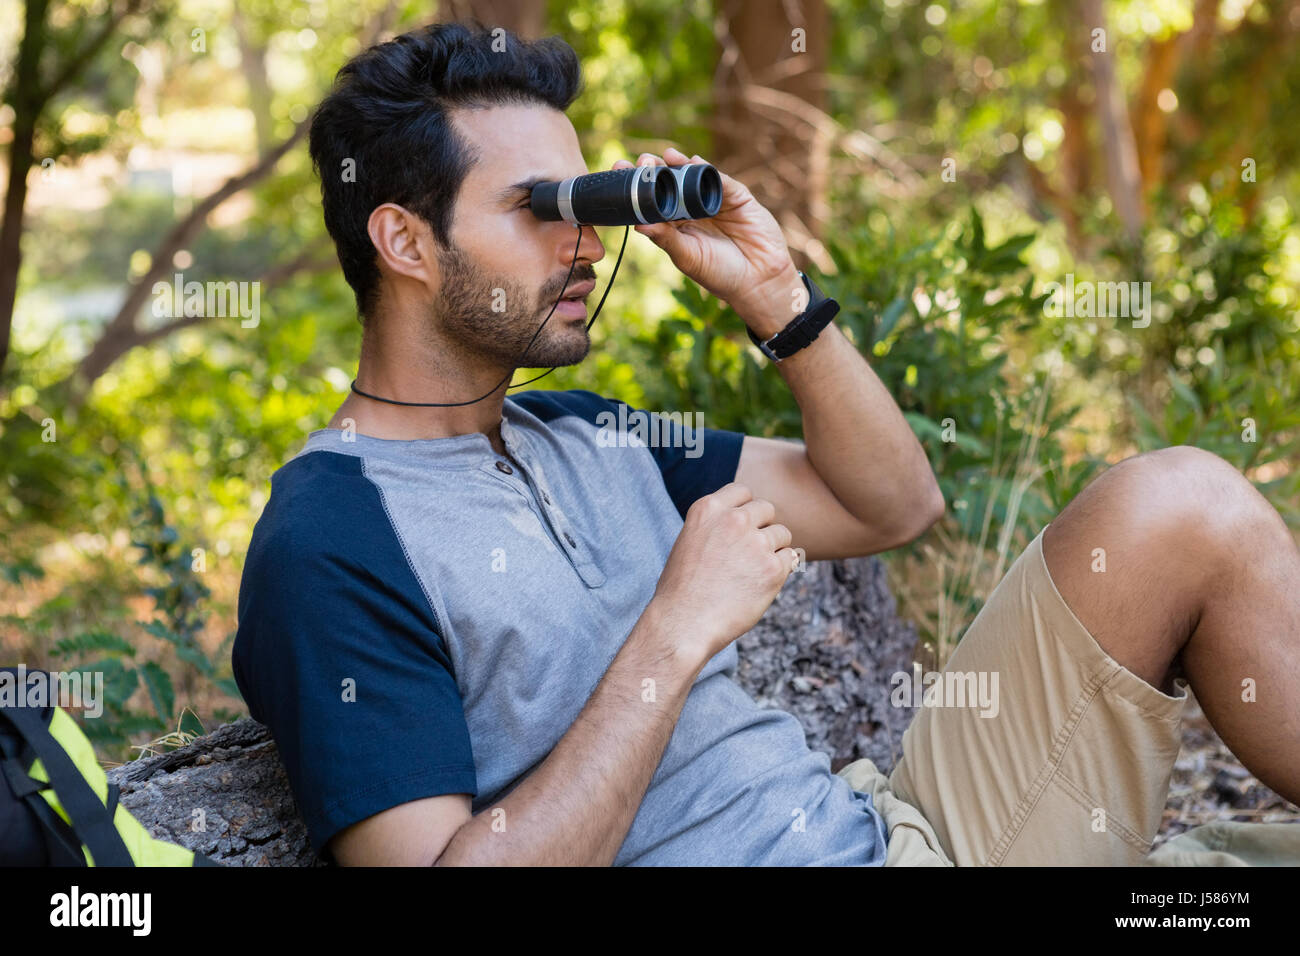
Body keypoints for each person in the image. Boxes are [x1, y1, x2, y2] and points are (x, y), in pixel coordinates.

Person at [232, 21, 1300, 866]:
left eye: (585, 200)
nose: (583, 240)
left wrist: (778, 300)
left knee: (1176, 503)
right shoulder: (331, 538)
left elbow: (889, 504)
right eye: (538, 209)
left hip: (895, 832)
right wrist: (672, 631)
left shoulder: (591, 434)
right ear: (404, 239)